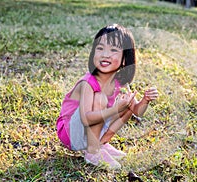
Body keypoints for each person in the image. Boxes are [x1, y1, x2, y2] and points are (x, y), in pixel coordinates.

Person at [56, 24, 158, 169]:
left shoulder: (119, 82)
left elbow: (136, 111)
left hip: (89, 129)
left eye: (113, 50)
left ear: (124, 60)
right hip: (71, 132)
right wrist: (114, 109)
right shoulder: (88, 82)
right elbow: (86, 118)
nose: (105, 54)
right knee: (100, 99)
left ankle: (100, 144)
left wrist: (145, 100)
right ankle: (93, 151)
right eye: (100, 48)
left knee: (127, 104)